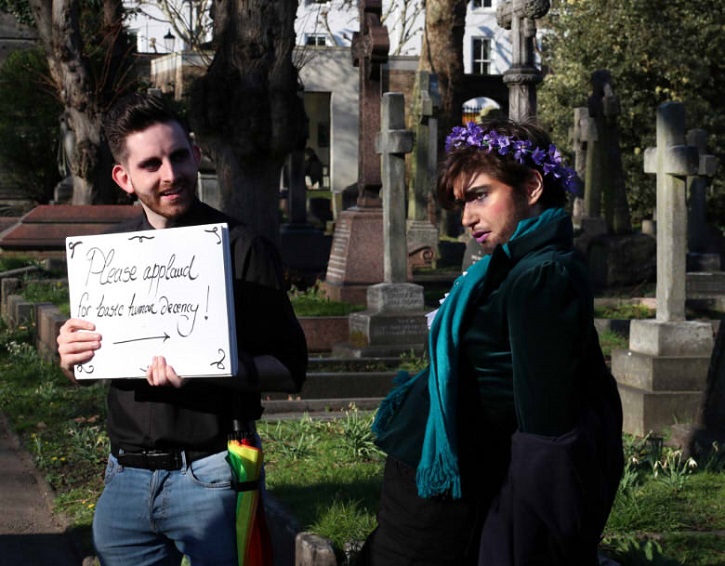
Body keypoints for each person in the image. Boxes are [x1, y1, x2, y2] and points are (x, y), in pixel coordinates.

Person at [56, 93, 308, 566]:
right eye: (151, 164)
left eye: (178, 155)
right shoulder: (105, 260)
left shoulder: (242, 249)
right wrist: (72, 358)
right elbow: (89, 367)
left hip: (211, 473)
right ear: (124, 178)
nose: (170, 174)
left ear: (194, 154)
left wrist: (208, 369)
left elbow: (291, 367)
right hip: (123, 479)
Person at [358, 118, 624, 565]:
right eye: (462, 202)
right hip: (432, 475)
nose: (466, 217)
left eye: (480, 195)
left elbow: (545, 428)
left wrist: (525, 540)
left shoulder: (542, 275)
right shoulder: (509, 262)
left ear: (533, 185)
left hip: (449, 487)